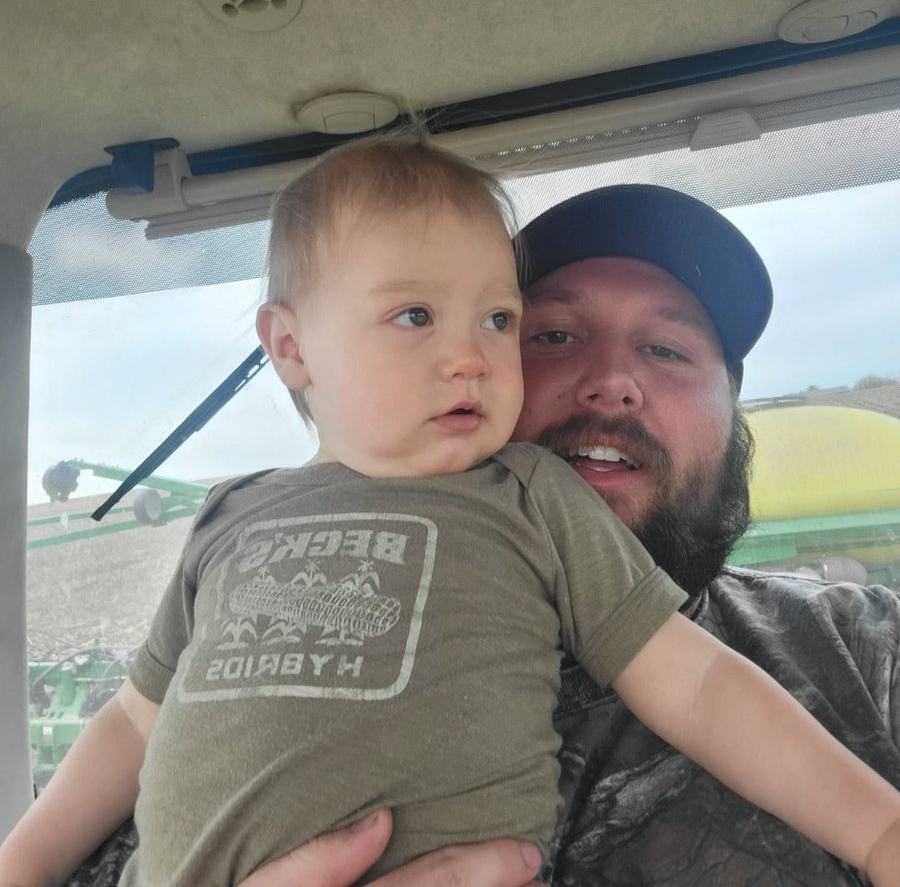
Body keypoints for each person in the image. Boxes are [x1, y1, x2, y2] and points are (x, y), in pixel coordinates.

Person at [6, 141, 900, 886]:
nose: (470, 357)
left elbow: (700, 687)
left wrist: (879, 831)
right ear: (291, 346)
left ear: (736, 402)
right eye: (551, 334)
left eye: (498, 320)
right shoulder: (230, 517)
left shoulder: (858, 650)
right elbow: (134, 723)